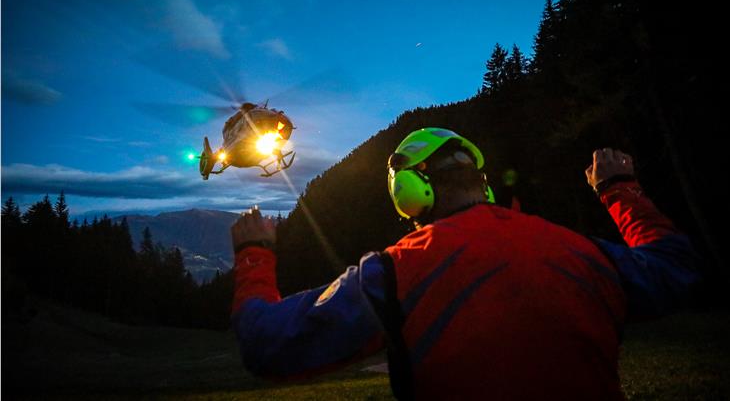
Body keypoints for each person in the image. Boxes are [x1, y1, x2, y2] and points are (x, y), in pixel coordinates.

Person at [230, 128, 699, 400]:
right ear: (484, 184)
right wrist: (620, 190)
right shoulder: (577, 248)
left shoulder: (393, 272)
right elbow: (675, 270)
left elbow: (267, 344)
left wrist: (254, 255)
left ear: (408, 192)